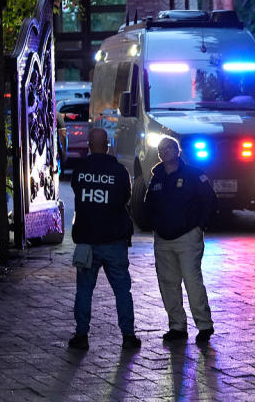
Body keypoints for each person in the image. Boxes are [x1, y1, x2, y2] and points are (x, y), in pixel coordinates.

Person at [68, 127, 141, 351]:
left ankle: (81, 336)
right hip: (114, 239)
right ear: (108, 144)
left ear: (89, 145)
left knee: (84, 290)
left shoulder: (80, 170)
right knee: (121, 290)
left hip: (87, 240)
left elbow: (77, 192)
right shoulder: (119, 172)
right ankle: (128, 336)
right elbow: (125, 198)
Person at [144, 137, 217, 344]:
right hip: (163, 239)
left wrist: (199, 227)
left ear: (177, 151)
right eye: (160, 150)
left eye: (168, 148)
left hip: (187, 237)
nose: (163, 152)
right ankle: (177, 326)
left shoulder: (194, 174)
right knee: (168, 283)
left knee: (192, 282)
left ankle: (204, 325)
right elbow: (148, 204)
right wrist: (154, 225)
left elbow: (209, 200)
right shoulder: (156, 177)